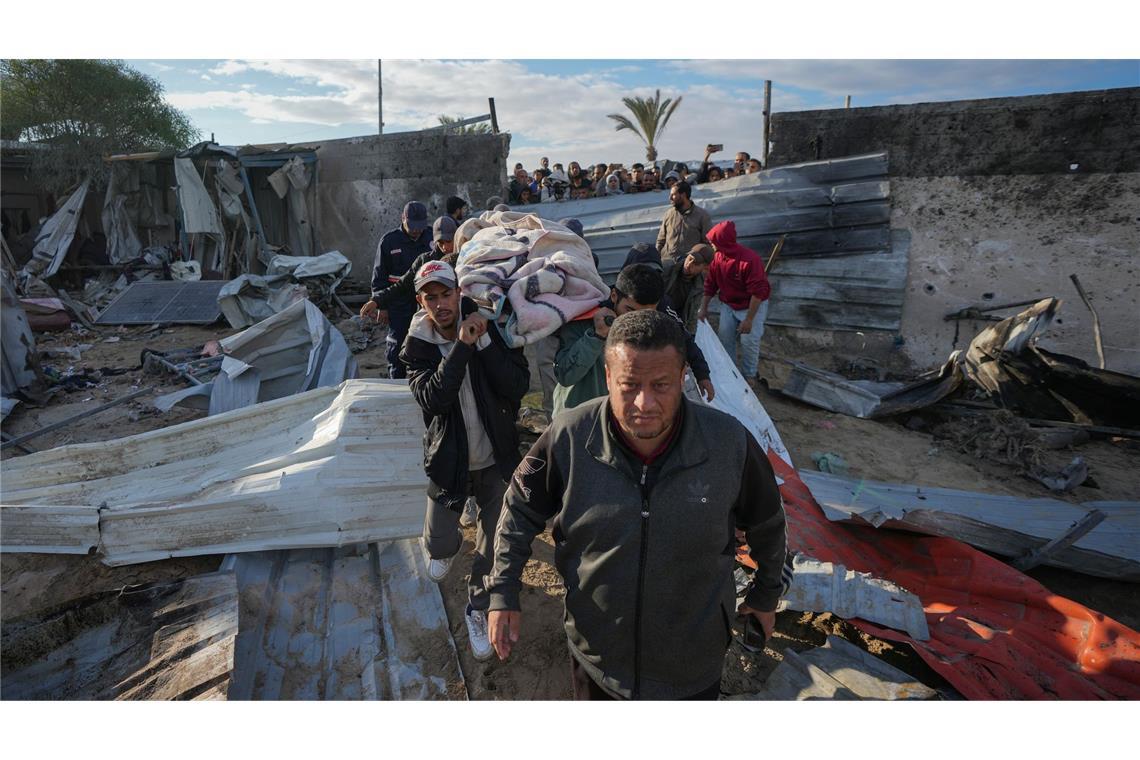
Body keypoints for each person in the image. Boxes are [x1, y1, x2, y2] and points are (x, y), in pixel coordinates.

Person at [487, 309, 789, 699]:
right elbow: (520, 509)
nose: (644, 403)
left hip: (692, 666)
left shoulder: (728, 443)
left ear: (683, 379)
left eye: (661, 385)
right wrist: (503, 591)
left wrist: (765, 596)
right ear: (609, 377)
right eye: (629, 385)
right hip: (597, 661)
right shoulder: (570, 437)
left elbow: (768, 522)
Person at [400, 259, 530, 661]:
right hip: (449, 464)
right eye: (431, 297)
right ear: (421, 302)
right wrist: (462, 345)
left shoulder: (490, 328)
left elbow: (517, 385)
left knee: (493, 546)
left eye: (446, 294)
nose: (440, 304)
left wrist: (485, 342)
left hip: (496, 462)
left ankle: (477, 605)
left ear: (459, 293)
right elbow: (435, 398)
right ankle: (447, 544)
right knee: (437, 546)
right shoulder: (416, 348)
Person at [552, 262, 714, 417]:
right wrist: (597, 336)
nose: (637, 320)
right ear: (614, 295)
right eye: (629, 310)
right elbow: (566, 376)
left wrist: (702, 373)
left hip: (621, 422)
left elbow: (682, 337)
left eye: (645, 313)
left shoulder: (657, 321)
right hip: (580, 418)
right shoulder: (585, 320)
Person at [363, 200, 433, 379]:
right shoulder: (389, 241)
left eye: (420, 226)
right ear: (403, 218)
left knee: (427, 344)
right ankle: (397, 382)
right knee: (397, 348)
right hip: (398, 303)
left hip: (427, 303)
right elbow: (379, 277)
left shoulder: (432, 237)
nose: (417, 231)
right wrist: (382, 306)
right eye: (412, 226)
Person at [698, 220, 771, 380]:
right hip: (729, 305)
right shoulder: (718, 258)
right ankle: (730, 374)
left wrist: (749, 319)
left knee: (749, 342)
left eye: (714, 242)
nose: (712, 245)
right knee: (725, 339)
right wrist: (703, 308)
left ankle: (748, 376)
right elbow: (710, 284)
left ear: (723, 241)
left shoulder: (749, 260)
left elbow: (758, 293)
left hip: (751, 306)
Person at [361, 215, 459, 328]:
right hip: (431, 320)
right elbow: (402, 285)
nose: (445, 247)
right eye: (440, 242)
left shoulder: (465, 259)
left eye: (448, 241)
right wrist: (377, 300)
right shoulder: (424, 261)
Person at [656, 180, 713, 264]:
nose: (670, 198)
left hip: (689, 266)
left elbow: (707, 244)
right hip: (667, 264)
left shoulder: (702, 216)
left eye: (673, 195)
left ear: (683, 195)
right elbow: (660, 241)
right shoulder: (668, 214)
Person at [663, 243, 714, 332]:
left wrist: (690, 335)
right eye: (689, 259)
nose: (689, 264)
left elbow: (692, 316)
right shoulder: (667, 269)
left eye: (695, 263)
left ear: (705, 267)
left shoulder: (699, 285)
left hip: (677, 323)